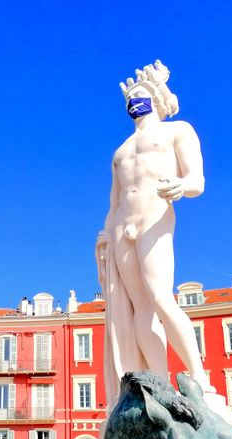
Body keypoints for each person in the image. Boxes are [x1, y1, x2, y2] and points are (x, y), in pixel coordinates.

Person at [96, 60, 210, 408]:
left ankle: (199, 377)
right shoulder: (120, 152)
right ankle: (157, 384)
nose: (133, 101)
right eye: (129, 97)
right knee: (138, 307)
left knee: (161, 297)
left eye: (140, 94)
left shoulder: (178, 130)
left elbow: (198, 180)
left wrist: (183, 185)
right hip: (121, 225)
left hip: (155, 216)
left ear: (157, 99)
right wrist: (104, 233)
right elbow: (114, 199)